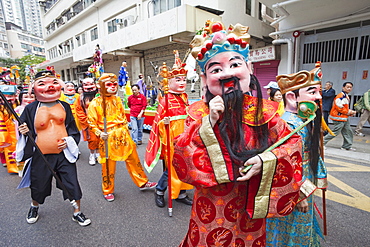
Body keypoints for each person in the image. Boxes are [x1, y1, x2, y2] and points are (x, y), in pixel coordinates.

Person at [172, 21, 303, 246]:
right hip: (212, 205)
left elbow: (293, 144)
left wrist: (266, 160)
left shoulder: (266, 112)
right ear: (204, 79)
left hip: (250, 204)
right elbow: (181, 159)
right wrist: (208, 123)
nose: (227, 74)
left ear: (249, 68)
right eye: (216, 69)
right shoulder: (197, 114)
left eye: (234, 64)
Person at [16, 70, 91, 226]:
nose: (49, 87)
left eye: (53, 82)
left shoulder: (64, 106)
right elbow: (25, 130)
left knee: (72, 183)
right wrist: (24, 132)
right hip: (41, 155)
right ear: (34, 88)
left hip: (63, 153)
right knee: (38, 184)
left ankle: (77, 212)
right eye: (42, 83)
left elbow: (72, 129)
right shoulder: (31, 109)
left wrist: (69, 141)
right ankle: (34, 206)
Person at [266, 63, 328, 246]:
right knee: (292, 229)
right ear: (292, 97)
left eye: (319, 92)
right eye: (312, 92)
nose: (318, 98)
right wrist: (299, 195)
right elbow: (284, 167)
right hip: (294, 188)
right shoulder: (290, 126)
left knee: (300, 226)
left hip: (305, 177)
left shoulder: (303, 120)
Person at [87, 73, 157, 202]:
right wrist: (99, 133)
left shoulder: (117, 99)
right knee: (108, 165)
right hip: (108, 136)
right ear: (101, 86)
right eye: (109, 84)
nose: (113, 87)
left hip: (123, 133)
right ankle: (107, 189)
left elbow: (123, 117)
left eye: (114, 84)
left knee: (133, 159)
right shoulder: (95, 103)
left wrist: (127, 132)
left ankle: (142, 181)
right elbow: (91, 122)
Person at [145, 53, 193, 208]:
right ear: (169, 82)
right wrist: (163, 123)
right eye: (177, 79)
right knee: (173, 168)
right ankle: (159, 190)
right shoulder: (165, 99)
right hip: (172, 140)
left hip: (185, 139)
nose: (182, 82)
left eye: (184, 79)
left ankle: (181, 193)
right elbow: (157, 123)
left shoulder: (184, 98)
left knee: (185, 166)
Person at [323, 82, 356, 150]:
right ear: (343, 87)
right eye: (347, 87)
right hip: (338, 117)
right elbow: (340, 108)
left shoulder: (345, 95)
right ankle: (322, 143)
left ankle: (346, 146)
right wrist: (349, 112)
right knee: (335, 132)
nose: (349, 88)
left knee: (348, 131)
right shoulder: (341, 96)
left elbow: (343, 108)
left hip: (343, 117)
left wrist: (349, 112)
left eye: (350, 87)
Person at [74, 78, 100, 165]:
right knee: (92, 140)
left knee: (100, 139)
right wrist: (86, 121)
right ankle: (92, 155)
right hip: (89, 123)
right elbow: (79, 111)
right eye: (86, 85)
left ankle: (98, 153)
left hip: (100, 123)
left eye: (91, 84)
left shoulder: (100, 95)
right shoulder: (80, 98)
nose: (89, 87)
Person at [0, 84, 19, 173]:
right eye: (5, 96)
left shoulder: (18, 105)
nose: (8, 99)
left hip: (20, 132)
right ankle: (14, 168)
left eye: (11, 96)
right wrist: (4, 137)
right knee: (11, 151)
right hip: (9, 133)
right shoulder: (1, 108)